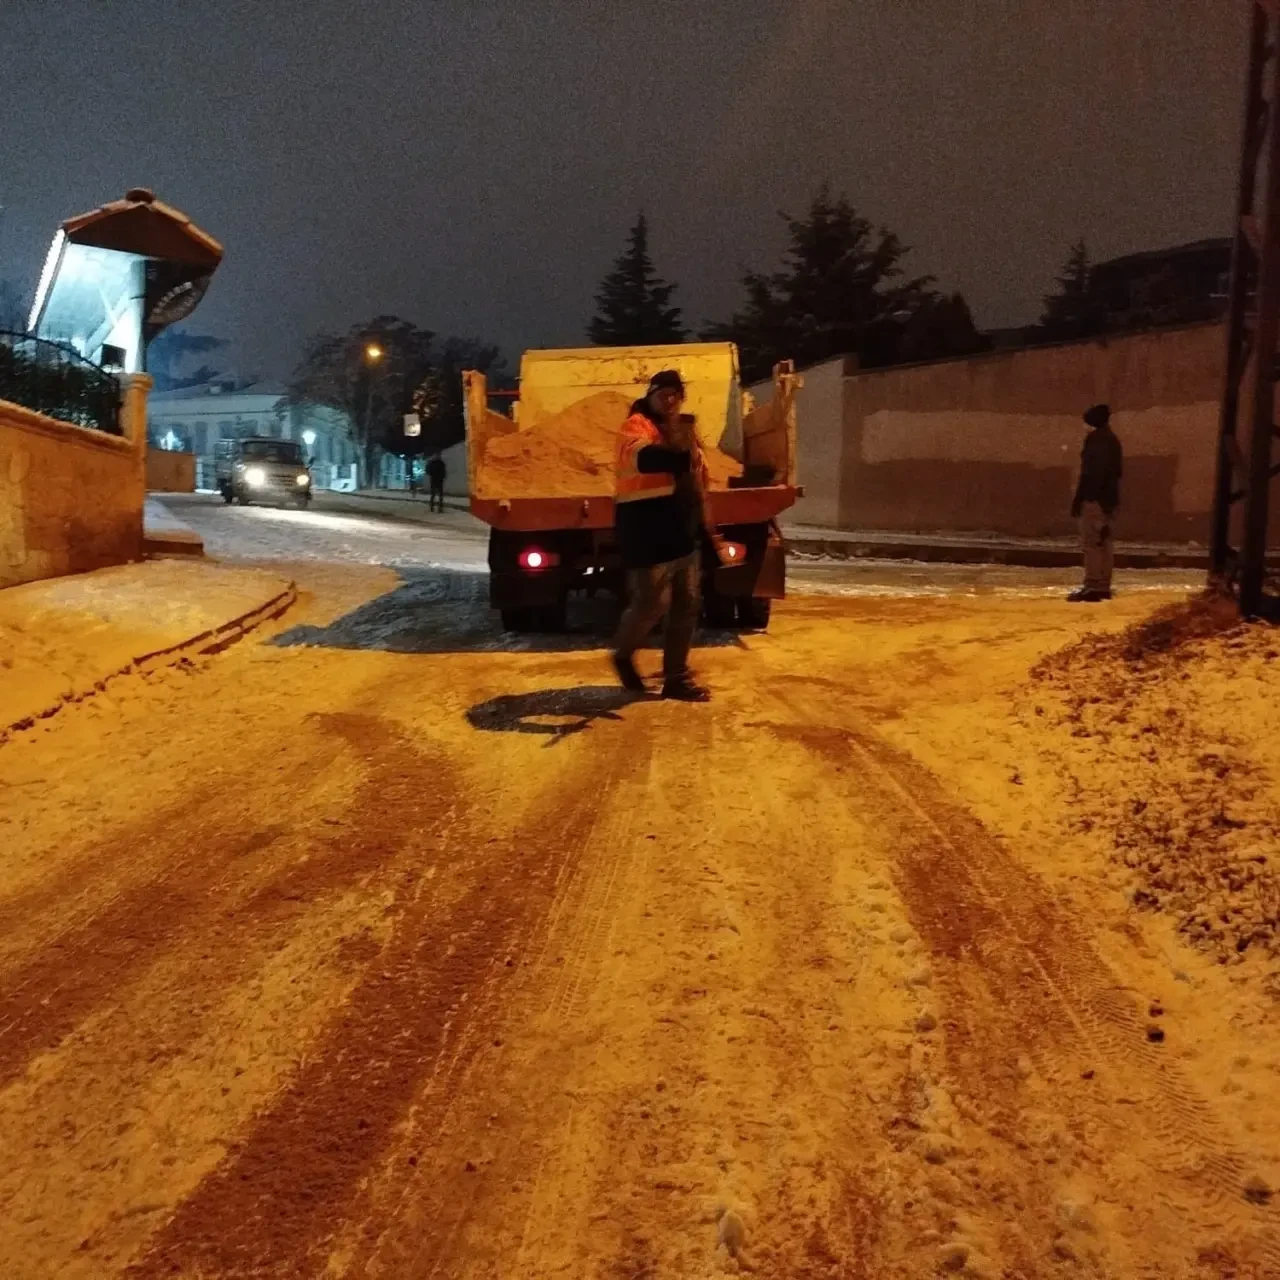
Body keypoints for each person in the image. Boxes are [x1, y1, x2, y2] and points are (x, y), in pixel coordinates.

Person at [611, 370, 728, 702]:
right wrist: (679, 456)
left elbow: (699, 485)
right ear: (651, 395)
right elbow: (640, 457)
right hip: (647, 534)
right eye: (663, 392)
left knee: (688, 605)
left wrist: (709, 530)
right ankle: (622, 654)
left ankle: (676, 677)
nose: (670, 399)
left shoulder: (686, 434)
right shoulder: (636, 425)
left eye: (676, 393)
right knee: (651, 604)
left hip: (682, 532)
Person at [1069, 403, 1123, 602]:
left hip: (1094, 501)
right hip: (1109, 501)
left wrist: (1081, 499)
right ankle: (1103, 585)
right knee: (1105, 543)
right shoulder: (1113, 441)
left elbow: (1090, 475)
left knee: (1091, 543)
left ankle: (1092, 586)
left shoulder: (1096, 441)